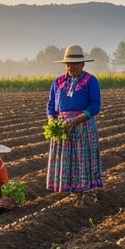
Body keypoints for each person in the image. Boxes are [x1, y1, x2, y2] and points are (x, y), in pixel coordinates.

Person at [45, 44, 103, 194]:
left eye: (75, 64)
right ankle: (65, 189)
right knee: (65, 159)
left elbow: (95, 105)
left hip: (82, 125)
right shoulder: (58, 82)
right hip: (62, 126)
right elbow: (51, 104)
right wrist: (52, 119)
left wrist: (77, 119)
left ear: (82, 64)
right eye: (68, 64)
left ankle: (83, 189)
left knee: (80, 159)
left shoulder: (91, 80)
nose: (71, 67)